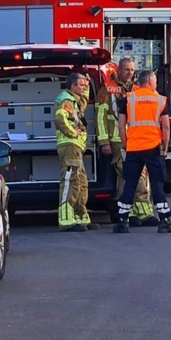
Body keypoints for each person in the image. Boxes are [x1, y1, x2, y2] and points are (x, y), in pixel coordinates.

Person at [113, 70, 171, 234]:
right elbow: (165, 127)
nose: (156, 84)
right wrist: (165, 147)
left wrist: (125, 144)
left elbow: (121, 126)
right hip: (153, 148)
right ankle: (164, 220)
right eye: (155, 81)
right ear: (150, 81)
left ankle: (122, 221)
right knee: (157, 184)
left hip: (134, 148)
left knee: (130, 183)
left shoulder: (129, 98)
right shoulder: (159, 100)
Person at [96, 57, 156, 226]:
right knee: (133, 175)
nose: (129, 73)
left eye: (132, 70)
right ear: (118, 70)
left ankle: (133, 212)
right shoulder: (107, 90)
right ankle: (144, 212)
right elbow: (100, 118)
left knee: (134, 177)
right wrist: (104, 142)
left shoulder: (137, 89)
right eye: (126, 69)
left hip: (137, 140)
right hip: (117, 141)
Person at [55, 72, 98, 232]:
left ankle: (80, 217)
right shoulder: (66, 100)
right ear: (72, 86)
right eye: (80, 85)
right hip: (70, 145)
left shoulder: (75, 100)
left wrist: (87, 84)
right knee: (70, 181)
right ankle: (66, 219)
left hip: (76, 147)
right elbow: (60, 119)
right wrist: (73, 133)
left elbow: (84, 101)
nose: (83, 87)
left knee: (80, 181)